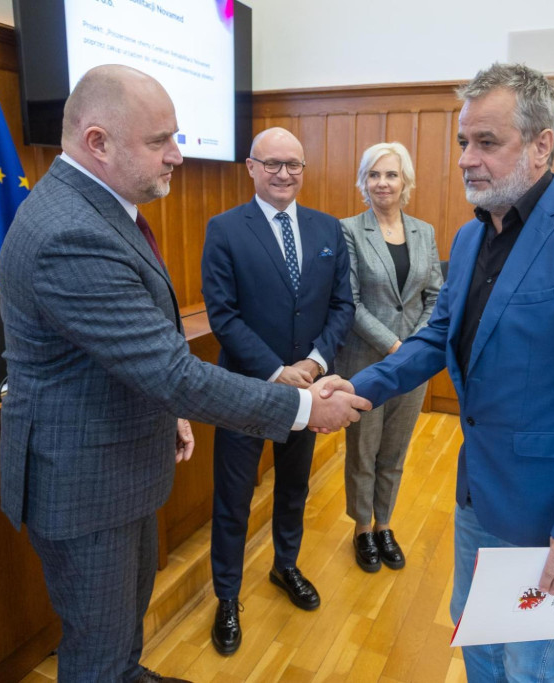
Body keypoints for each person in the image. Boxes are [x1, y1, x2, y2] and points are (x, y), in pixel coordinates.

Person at [0, 66, 369, 683]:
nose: (177, 155)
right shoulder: (71, 232)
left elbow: (126, 348)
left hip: (118, 467)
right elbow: (172, 368)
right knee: (97, 654)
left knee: (118, 642)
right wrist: (304, 409)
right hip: (85, 487)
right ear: (98, 142)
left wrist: (164, 411)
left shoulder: (99, 210)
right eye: (159, 141)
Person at [334, 63, 554, 682]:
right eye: (463, 142)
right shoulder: (472, 234)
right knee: (474, 635)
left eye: (487, 142)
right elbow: (436, 337)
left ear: (542, 145)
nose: (466, 159)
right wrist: (358, 388)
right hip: (477, 491)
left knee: (527, 661)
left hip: (547, 513)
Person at [200, 127, 355, 655]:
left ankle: (285, 567)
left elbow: (342, 307)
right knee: (234, 500)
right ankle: (226, 597)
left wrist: (312, 363)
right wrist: (274, 371)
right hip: (246, 390)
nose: (284, 173)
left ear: (304, 169)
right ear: (251, 167)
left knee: (294, 489)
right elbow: (222, 315)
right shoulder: (224, 230)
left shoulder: (328, 229)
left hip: (308, 390)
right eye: (272, 164)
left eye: (293, 164)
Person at [333, 142, 443, 573]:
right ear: (363, 182)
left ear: (405, 182)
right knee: (364, 449)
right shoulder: (348, 230)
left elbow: (435, 295)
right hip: (366, 362)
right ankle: (362, 528)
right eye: (374, 175)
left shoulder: (424, 232)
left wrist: (415, 348)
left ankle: (384, 524)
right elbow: (351, 303)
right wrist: (398, 349)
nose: (383, 182)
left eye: (391, 175)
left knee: (395, 450)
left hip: (414, 365)